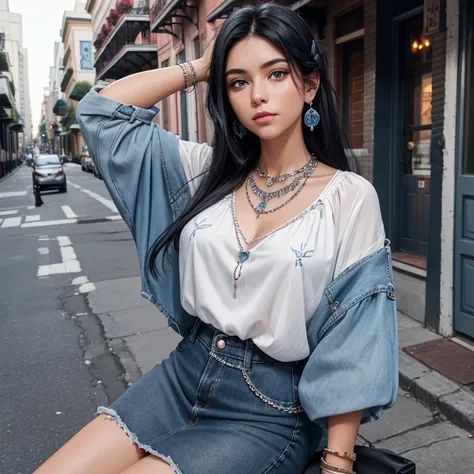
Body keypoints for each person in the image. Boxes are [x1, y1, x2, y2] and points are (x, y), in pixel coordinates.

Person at [35, 4, 398, 474]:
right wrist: (201, 67)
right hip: (185, 373)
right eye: (239, 82)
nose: (258, 96)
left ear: (309, 85)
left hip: (269, 409)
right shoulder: (206, 173)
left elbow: (356, 336)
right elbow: (102, 113)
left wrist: (338, 462)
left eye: (276, 74)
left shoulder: (349, 197)